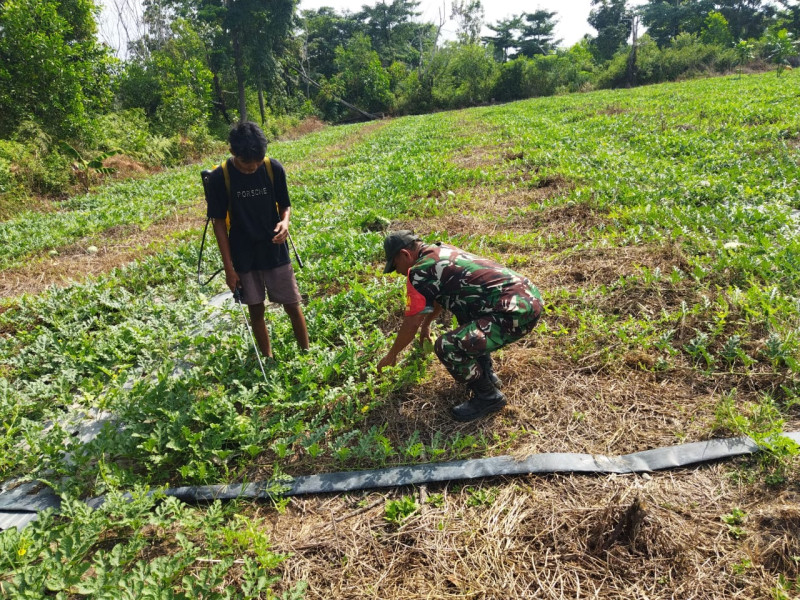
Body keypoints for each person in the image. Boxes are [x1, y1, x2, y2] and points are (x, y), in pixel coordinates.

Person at [377, 231, 543, 421]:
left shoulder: (419, 272)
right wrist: (427, 326)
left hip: (515, 312)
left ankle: (488, 397)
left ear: (405, 254)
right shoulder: (441, 250)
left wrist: (392, 355)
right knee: (465, 315)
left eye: (395, 265)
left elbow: (411, 322)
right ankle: (486, 375)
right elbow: (437, 297)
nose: (397, 272)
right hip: (528, 297)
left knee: (447, 346)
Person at [205, 121, 309, 358]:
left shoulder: (273, 168)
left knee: (292, 303)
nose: (252, 167)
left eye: (257, 161)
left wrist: (285, 222)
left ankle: (306, 354)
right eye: (245, 163)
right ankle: (267, 358)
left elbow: (285, 205)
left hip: (274, 249)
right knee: (255, 309)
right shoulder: (220, 178)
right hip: (243, 254)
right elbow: (219, 224)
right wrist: (229, 269)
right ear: (232, 152)